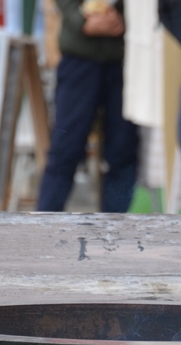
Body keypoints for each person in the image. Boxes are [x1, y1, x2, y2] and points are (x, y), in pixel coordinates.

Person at [37, 0, 138, 213]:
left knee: (123, 150)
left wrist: (123, 18)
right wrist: (80, 19)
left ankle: (115, 231)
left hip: (123, 58)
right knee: (65, 148)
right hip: (79, 56)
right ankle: (44, 225)